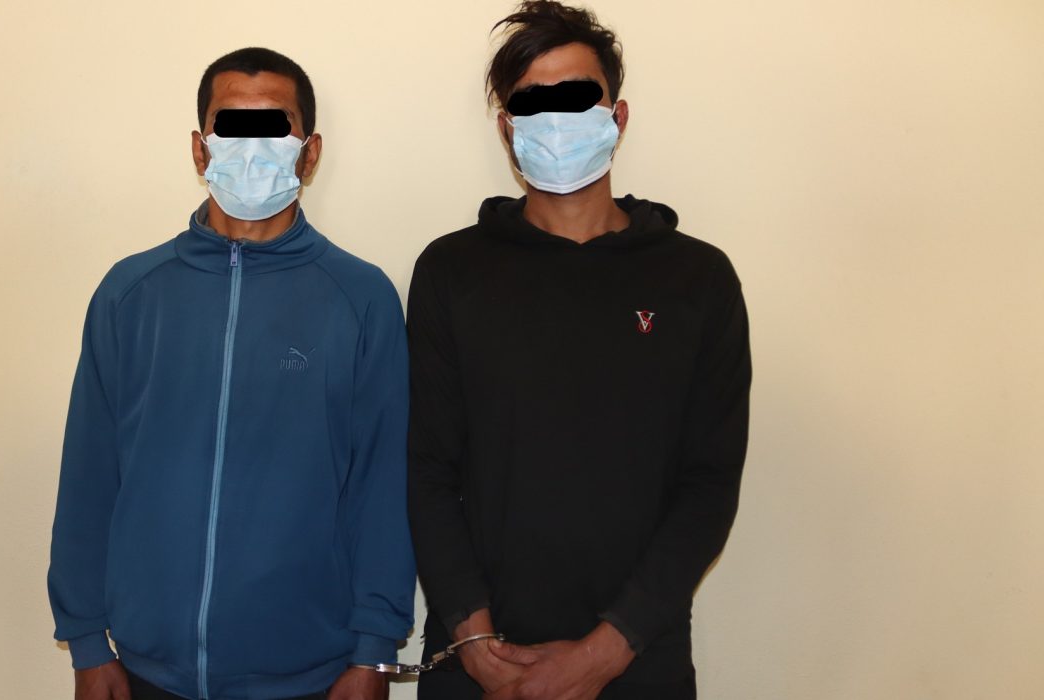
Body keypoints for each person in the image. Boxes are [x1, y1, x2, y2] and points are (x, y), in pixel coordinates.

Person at [406, 3, 751, 699]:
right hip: (479, 665)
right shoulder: (451, 270)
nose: (555, 121)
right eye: (532, 104)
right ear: (507, 129)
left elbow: (708, 484)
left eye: (575, 98)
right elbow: (427, 469)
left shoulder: (698, 279)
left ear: (617, 116)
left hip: (639, 664)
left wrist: (605, 652)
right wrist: (475, 642)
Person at [49, 47, 415, 700]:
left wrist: (375, 652)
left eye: (273, 127)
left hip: (313, 673)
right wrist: (85, 639)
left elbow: (382, 485)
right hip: (144, 670)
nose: (252, 148)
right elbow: (89, 472)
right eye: (232, 126)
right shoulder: (131, 294)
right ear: (200, 149)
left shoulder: (361, 299)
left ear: (310, 152)